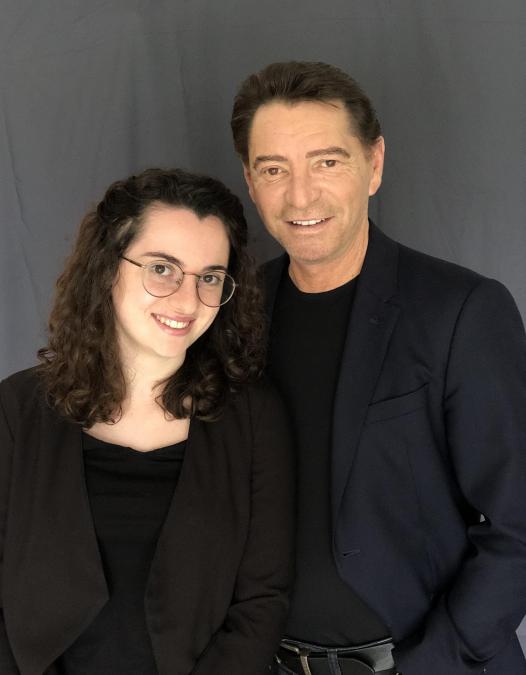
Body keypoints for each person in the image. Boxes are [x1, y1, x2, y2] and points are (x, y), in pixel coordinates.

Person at [230, 61, 526, 675]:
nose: (300, 196)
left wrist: (429, 665)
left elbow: (519, 526)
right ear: (251, 183)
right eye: (274, 170)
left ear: (375, 164)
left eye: (326, 162)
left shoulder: (461, 311)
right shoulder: (234, 314)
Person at [0, 168, 294, 675]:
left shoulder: (253, 417)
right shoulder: (17, 410)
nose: (187, 300)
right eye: (162, 268)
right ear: (106, 267)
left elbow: (263, 600)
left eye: (209, 277)